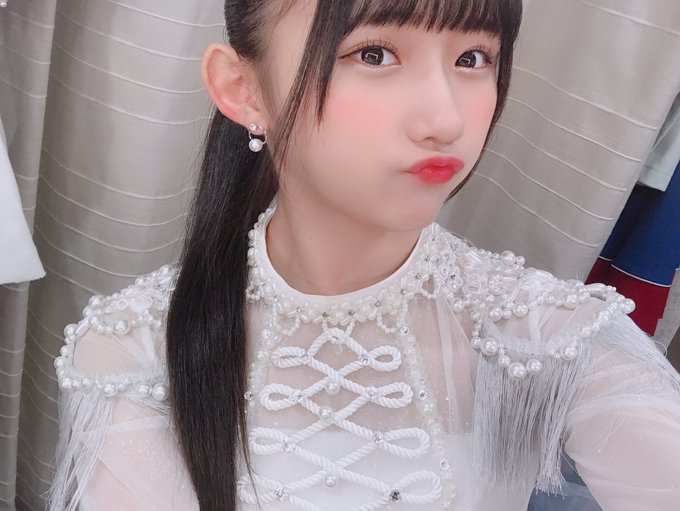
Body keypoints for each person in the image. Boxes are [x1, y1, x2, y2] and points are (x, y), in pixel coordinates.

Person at [47, 1, 680, 510]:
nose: (445, 120)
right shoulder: (134, 347)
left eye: (473, 58)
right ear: (243, 89)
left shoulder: (548, 336)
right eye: (374, 54)